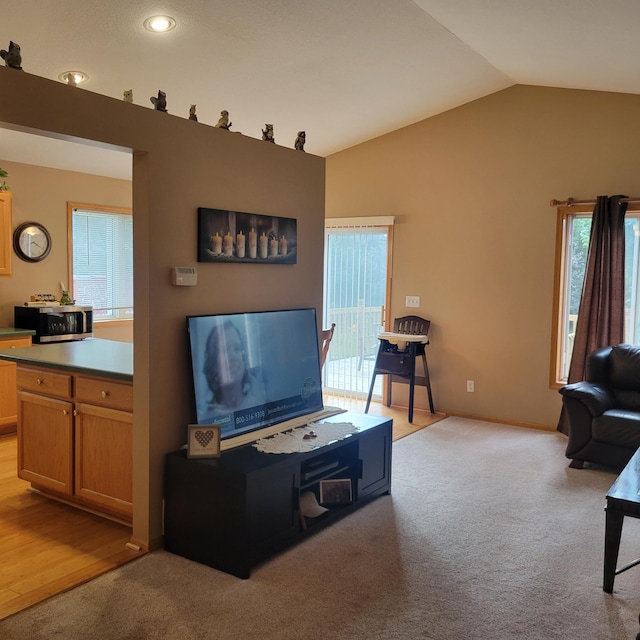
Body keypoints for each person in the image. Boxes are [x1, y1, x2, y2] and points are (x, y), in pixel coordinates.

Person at [201, 320, 266, 420]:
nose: (233, 356)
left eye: (237, 348)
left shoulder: (263, 404)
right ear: (214, 364)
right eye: (225, 350)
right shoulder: (206, 420)